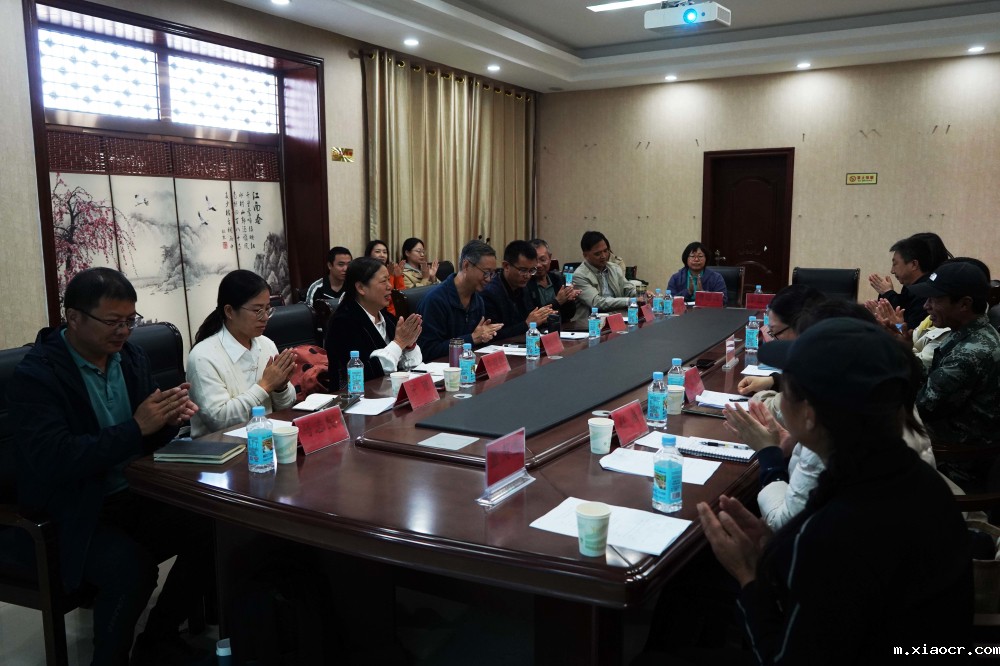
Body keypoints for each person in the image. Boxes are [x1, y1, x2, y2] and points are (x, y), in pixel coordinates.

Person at [695, 318, 971, 664]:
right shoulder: (914, 477)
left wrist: (748, 574)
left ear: (809, 414)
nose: (779, 402)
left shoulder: (836, 532)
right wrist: (774, 543)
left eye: (785, 392)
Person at [8, 267, 211, 665]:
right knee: (131, 571)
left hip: (132, 492)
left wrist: (168, 420)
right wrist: (137, 427)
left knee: (211, 528)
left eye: (130, 320)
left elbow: (143, 438)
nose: (124, 332)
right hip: (72, 510)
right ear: (74, 317)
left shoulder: (129, 358)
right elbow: (56, 458)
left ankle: (158, 639)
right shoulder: (37, 376)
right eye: (113, 322)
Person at [908, 260, 1000, 489]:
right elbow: (934, 378)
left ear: (964, 304)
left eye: (934, 299)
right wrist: (901, 348)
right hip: (951, 442)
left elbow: (923, 406)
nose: (926, 306)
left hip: (957, 462)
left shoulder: (971, 353)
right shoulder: (972, 334)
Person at [187, 270, 297, 437]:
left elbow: (285, 408)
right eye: (257, 310)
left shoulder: (266, 345)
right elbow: (219, 421)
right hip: (220, 448)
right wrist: (265, 386)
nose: (265, 317)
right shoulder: (203, 357)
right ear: (229, 311)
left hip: (266, 441)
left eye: (268, 309)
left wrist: (281, 388)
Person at [324, 257, 423, 385]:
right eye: (383, 281)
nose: (390, 286)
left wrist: (409, 345)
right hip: (357, 395)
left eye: (389, 279)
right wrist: (399, 343)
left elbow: (409, 366)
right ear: (361, 288)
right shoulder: (342, 322)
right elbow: (362, 375)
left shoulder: (387, 317)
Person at [416, 239, 503, 359]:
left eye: (492, 274)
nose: (489, 279)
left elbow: (477, 343)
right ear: (466, 265)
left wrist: (485, 337)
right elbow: (427, 351)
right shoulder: (435, 300)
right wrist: (472, 339)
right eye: (486, 272)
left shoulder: (478, 301)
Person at [737, 284, 824, 397]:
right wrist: (772, 381)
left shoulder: (830, 366)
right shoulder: (818, 350)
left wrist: (762, 398)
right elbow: (801, 382)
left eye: (775, 332)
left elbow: (795, 398)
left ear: (800, 327)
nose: (772, 339)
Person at [866, 234, 945, 330]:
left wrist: (888, 295)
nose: (892, 271)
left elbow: (911, 332)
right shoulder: (910, 288)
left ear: (914, 264)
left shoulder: (925, 293)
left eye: (895, 264)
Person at [482, 240, 555, 340]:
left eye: (532, 270)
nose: (528, 276)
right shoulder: (489, 292)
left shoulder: (524, 287)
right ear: (506, 266)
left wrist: (543, 317)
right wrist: (527, 324)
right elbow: (492, 335)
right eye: (523, 270)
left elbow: (531, 318)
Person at [572, 231, 646, 323]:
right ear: (585, 255)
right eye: (597, 254)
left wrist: (642, 294)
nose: (603, 256)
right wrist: (629, 301)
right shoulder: (579, 276)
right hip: (591, 323)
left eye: (605, 251)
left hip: (617, 317)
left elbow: (627, 289)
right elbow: (596, 302)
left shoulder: (614, 268)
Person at [526, 238, 579, 322]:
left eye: (543, 260)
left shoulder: (558, 278)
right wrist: (557, 301)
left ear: (550, 258)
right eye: (534, 261)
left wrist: (569, 300)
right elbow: (532, 316)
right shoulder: (525, 283)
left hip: (561, 327)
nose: (538, 265)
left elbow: (569, 314)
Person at [366, 239, 406, 315]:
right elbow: (385, 299)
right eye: (377, 252)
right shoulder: (366, 272)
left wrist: (398, 277)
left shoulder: (392, 269)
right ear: (369, 254)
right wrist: (390, 276)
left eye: (385, 252)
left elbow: (402, 296)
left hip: (397, 313)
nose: (382, 255)